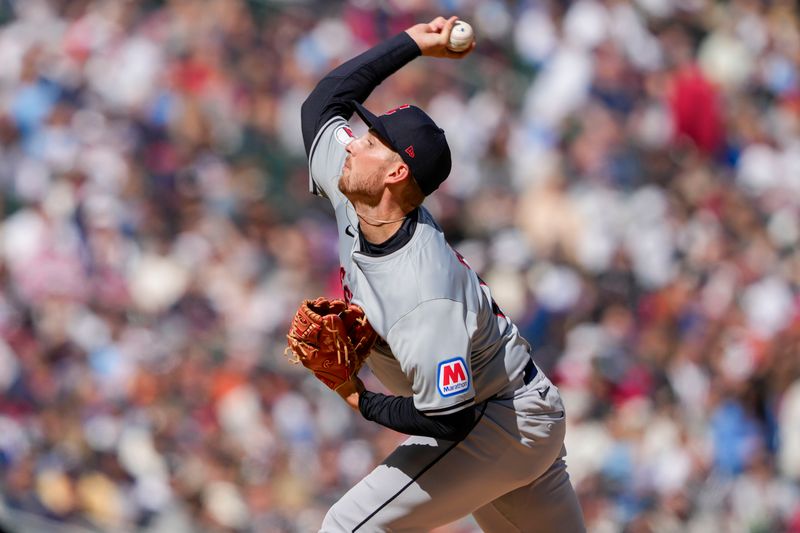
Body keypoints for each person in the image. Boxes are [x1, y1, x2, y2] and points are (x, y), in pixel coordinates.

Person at [300, 15, 586, 532]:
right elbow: (323, 103)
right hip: (516, 409)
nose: (353, 143)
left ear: (396, 173)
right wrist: (413, 43)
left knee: (347, 527)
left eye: (370, 141)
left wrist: (355, 394)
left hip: (494, 422)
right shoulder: (357, 196)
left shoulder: (424, 287)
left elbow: (447, 420)